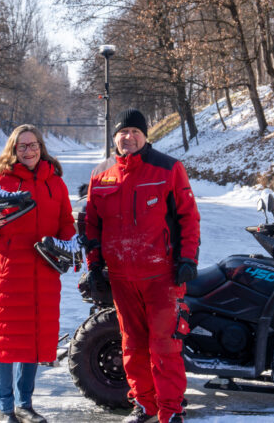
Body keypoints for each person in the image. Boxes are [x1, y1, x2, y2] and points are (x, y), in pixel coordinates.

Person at [84, 109, 200, 423]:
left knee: (165, 346)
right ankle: (145, 406)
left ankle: (171, 410)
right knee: (132, 345)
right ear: (115, 137)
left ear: (145, 136)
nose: (129, 137)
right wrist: (94, 267)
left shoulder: (168, 168)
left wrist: (188, 258)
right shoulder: (101, 174)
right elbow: (91, 225)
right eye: (123, 132)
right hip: (122, 277)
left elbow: (189, 217)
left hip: (162, 276)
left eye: (136, 131)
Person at [0, 124, 75, 423]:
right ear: (13, 150)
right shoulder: (0, 181)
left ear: (41, 147)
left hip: (44, 270)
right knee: (5, 344)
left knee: (33, 341)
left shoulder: (55, 183)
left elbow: (66, 221)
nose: (29, 151)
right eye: (22, 146)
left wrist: (69, 243)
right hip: (10, 272)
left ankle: (24, 404)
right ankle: (5, 409)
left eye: (33, 145)